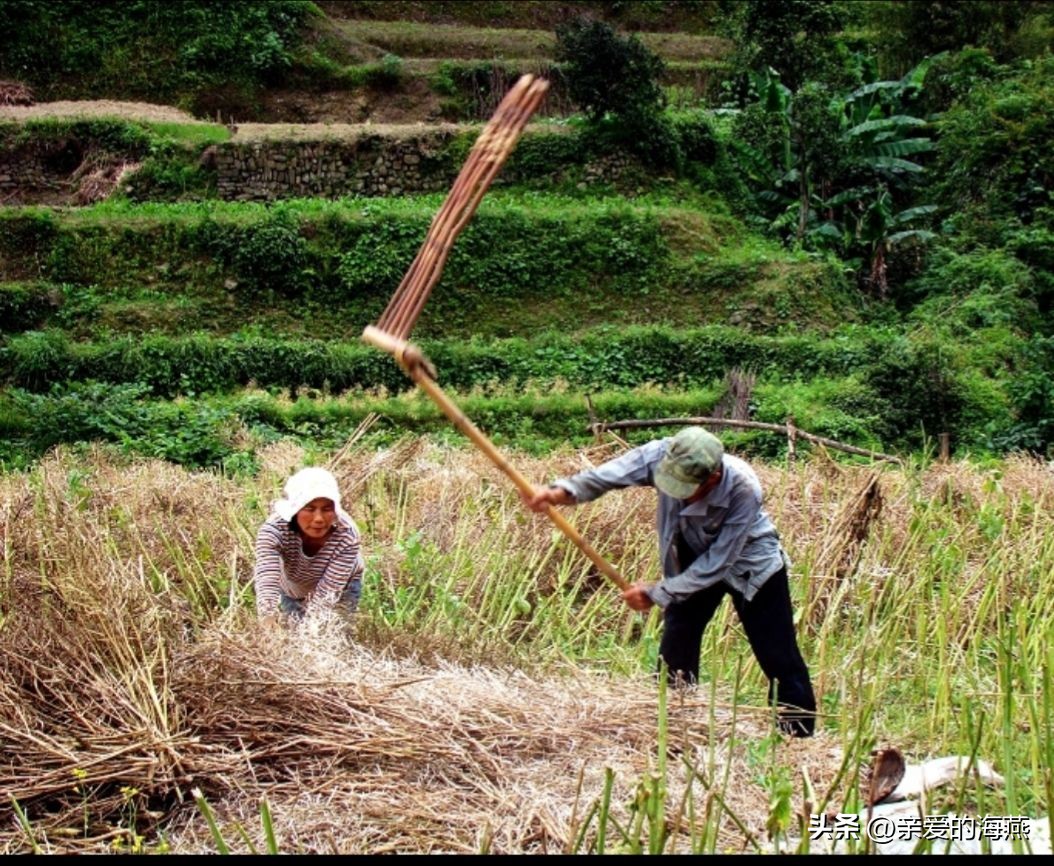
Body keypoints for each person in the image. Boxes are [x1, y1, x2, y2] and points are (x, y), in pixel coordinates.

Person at [523, 426, 817, 737]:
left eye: (685, 487)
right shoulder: (664, 454)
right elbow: (611, 474)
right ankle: (675, 723)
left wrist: (656, 592)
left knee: (777, 652)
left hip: (750, 562)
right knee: (678, 638)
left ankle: (797, 736)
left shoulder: (743, 488)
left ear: (712, 479)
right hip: (692, 552)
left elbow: (717, 562)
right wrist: (561, 493)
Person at [253, 466, 364, 624]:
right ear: (296, 510)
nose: (319, 518)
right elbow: (266, 578)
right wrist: (267, 620)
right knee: (293, 634)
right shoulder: (274, 530)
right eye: (309, 509)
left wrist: (313, 631)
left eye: (326, 509)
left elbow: (328, 593)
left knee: (332, 633)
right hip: (293, 587)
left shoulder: (347, 534)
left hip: (341, 586)